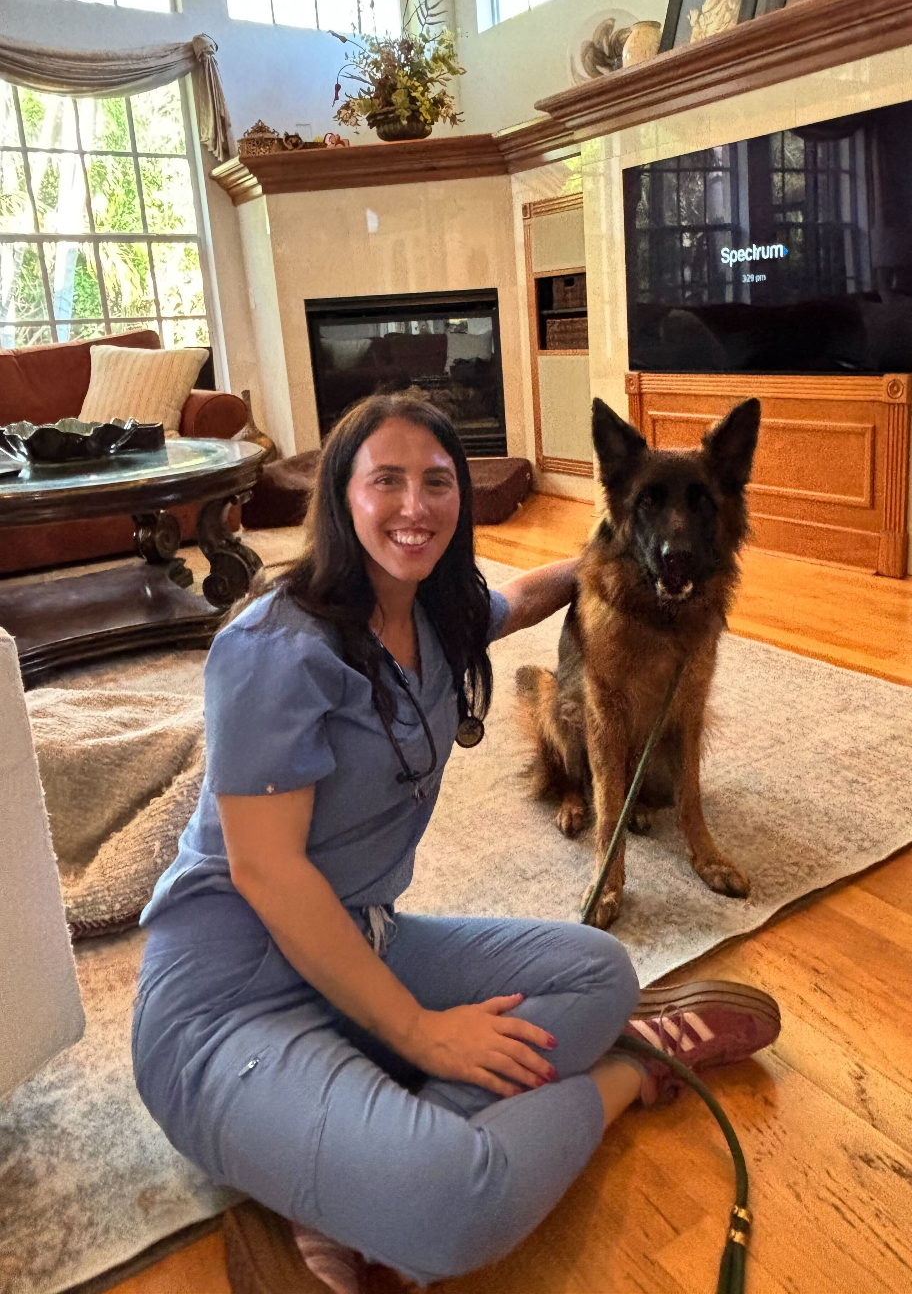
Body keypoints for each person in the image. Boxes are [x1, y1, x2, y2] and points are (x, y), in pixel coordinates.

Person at [132, 392, 779, 1293]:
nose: (415, 505)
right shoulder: (272, 648)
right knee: (456, 1202)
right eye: (386, 480)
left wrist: (609, 557)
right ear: (340, 495)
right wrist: (421, 1034)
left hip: (365, 939)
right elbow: (267, 871)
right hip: (227, 1001)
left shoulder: (436, 615)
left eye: (438, 482)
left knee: (602, 972)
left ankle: (361, 1162)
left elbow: (518, 599)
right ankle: (632, 1073)